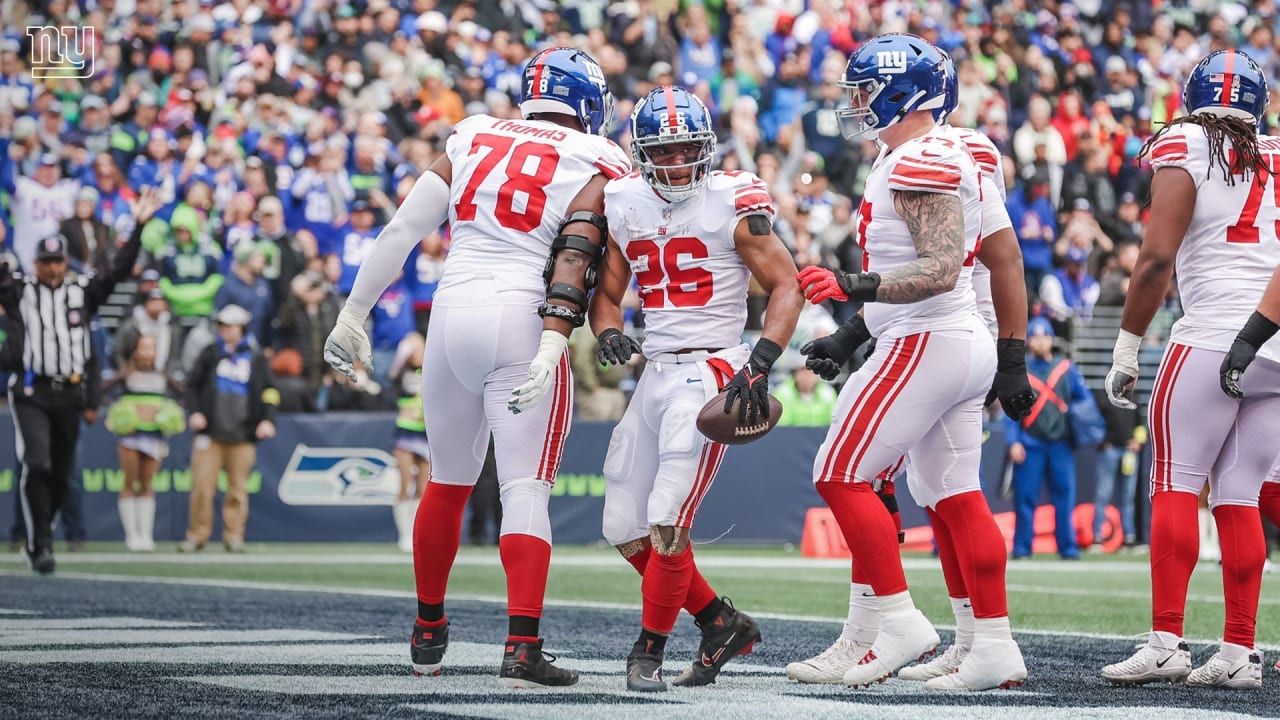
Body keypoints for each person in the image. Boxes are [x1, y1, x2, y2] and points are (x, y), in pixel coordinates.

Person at [324, 47, 631, 688]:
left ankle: (428, 631)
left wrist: (353, 313)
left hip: (450, 313)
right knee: (525, 489)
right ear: (587, 101)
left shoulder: (471, 133)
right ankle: (521, 648)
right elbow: (600, 254)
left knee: (448, 479)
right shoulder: (600, 157)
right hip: (524, 315)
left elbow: (404, 229)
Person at [789, 49, 1035, 688]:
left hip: (930, 336)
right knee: (952, 495)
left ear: (905, 93)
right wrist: (849, 334)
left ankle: (897, 621)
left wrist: (851, 284)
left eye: (868, 90)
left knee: (840, 474)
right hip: (949, 338)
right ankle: (991, 645)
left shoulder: (923, 156)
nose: (857, 102)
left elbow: (941, 267)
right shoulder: (938, 153)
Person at [590, 86, 803, 692]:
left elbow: (786, 285)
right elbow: (607, 295)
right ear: (644, 153)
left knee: (666, 516)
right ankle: (719, 622)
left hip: (712, 371)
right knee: (620, 526)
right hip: (653, 370)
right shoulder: (624, 200)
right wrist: (608, 331)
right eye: (666, 150)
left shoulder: (731, 200)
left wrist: (759, 361)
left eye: (688, 149)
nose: (679, 161)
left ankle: (647, 653)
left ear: (707, 149)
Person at [1102, 50, 1274, 689]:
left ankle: (1167, 642)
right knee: (1240, 495)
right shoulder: (1276, 152)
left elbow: (1154, 260)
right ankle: (1238, 654)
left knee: (1175, 484)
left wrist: (1127, 345)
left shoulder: (1186, 141)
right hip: (1275, 342)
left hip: (1211, 336)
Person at [0, 187, 159, 574]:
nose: (53, 268)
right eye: (47, 262)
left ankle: (42, 533)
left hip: (70, 391)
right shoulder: (20, 290)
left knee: (61, 470)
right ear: (36, 264)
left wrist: (138, 227)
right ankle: (42, 542)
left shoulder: (81, 290)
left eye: (58, 261)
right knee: (37, 463)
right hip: (32, 390)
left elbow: (118, 270)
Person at [180, 304, 279, 554]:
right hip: (210, 433)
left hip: (242, 434)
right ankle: (197, 535)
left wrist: (268, 419)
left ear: (241, 328)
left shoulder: (256, 358)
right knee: (202, 488)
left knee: (238, 490)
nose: (224, 329)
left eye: (229, 325)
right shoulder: (211, 353)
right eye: (222, 325)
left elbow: (270, 391)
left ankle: (234, 536)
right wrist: (195, 412)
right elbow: (190, 386)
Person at [1005, 317, 1091, 560]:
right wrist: (1014, 441)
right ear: (1028, 341)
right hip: (1030, 443)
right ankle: (1022, 547)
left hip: (1060, 444)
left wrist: (1077, 422)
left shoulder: (1066, 368)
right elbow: (1010, 410)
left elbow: (1085, 401)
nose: (1040, 341)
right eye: (1035, 336)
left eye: (1045, 336)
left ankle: (1068, 547)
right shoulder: (1021, 371)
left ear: (1051, 340)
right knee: (1025, 497)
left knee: (1065, 496)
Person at [105, 334, 184, 551]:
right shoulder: (127, 373)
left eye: (152, 347)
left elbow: (183, 395)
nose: (148, 352)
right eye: (144, 347)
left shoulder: (162, 374)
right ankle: (132, 535)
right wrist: (120, 412)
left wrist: (169, 413)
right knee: (130, 482)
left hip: (154, 434)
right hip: (130, 434)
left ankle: (146, 535)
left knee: (148, 483)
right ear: (135, 349)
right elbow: (103, 391)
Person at [391, 333, 429, 553]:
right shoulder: (402, 372)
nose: (417, 354)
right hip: (406, 430)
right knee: (405, 484)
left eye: (420, 349)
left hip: (426, 432)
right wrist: (404, 354)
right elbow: (392, 377)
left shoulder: (433, 371)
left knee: (423, 488)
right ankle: (404, 535)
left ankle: (416, 534)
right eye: (412, 350)